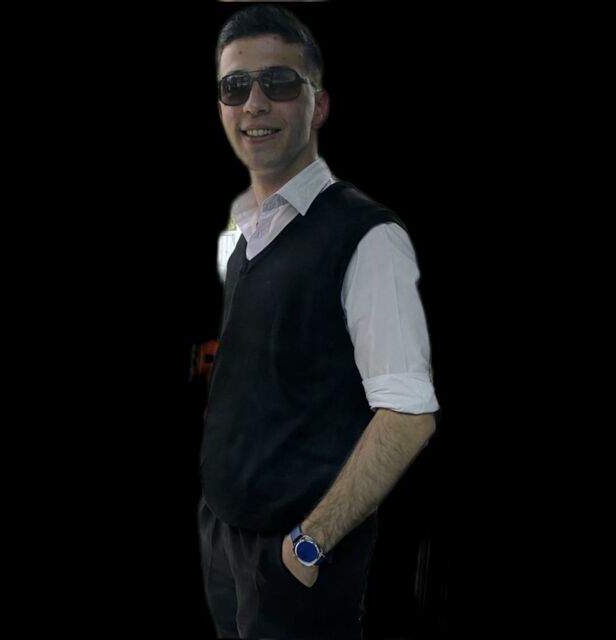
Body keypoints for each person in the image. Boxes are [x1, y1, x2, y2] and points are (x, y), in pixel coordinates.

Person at [198, 5, 439, 638]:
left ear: (319, 104)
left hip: (295, 562)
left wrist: (309, 545)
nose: (254, 102)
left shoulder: (367, 237)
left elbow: (409, 415)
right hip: (223, 540)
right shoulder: (244, 236)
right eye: (235, 86)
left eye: (278, 82)